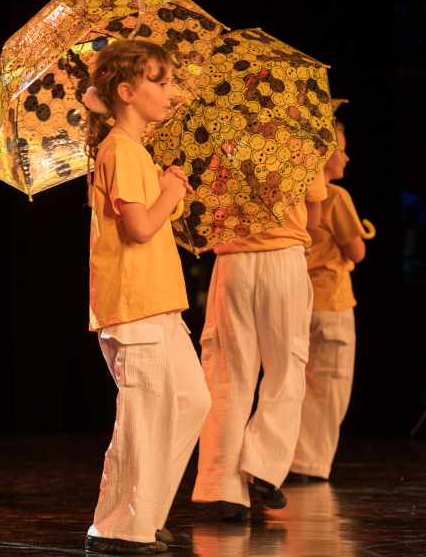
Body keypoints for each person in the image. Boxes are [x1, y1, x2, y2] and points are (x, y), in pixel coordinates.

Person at [83, 39, 211, 554]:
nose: (170, 92)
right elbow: (138, 229)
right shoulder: (119, 148)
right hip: (134, 306)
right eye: (161, 82)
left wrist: (163, 186)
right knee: (145, 416)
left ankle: (147, 510)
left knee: (192, 402)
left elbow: (144, 220)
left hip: (158, 302)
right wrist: (172, 192)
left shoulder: (134, 151)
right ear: (127, 92)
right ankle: (118, 526)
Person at [192, 130, 328, 521]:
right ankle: (265, 465)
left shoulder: (218, 140)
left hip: (233, 264)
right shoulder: (303, 139)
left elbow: (204, 210)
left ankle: (224, 488)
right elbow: (315, 219)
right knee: (286, 369)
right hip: (283, 260)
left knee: (227, 373)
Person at [290, 120, 365, 481]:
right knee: (329, 384)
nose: (347, 158)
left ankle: (285, 459)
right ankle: (307, 464)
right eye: (342, 150)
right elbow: (357, 251)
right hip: (332, 301)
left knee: (298, 382)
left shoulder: (292, 188)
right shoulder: (335, 197)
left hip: (300, 299)